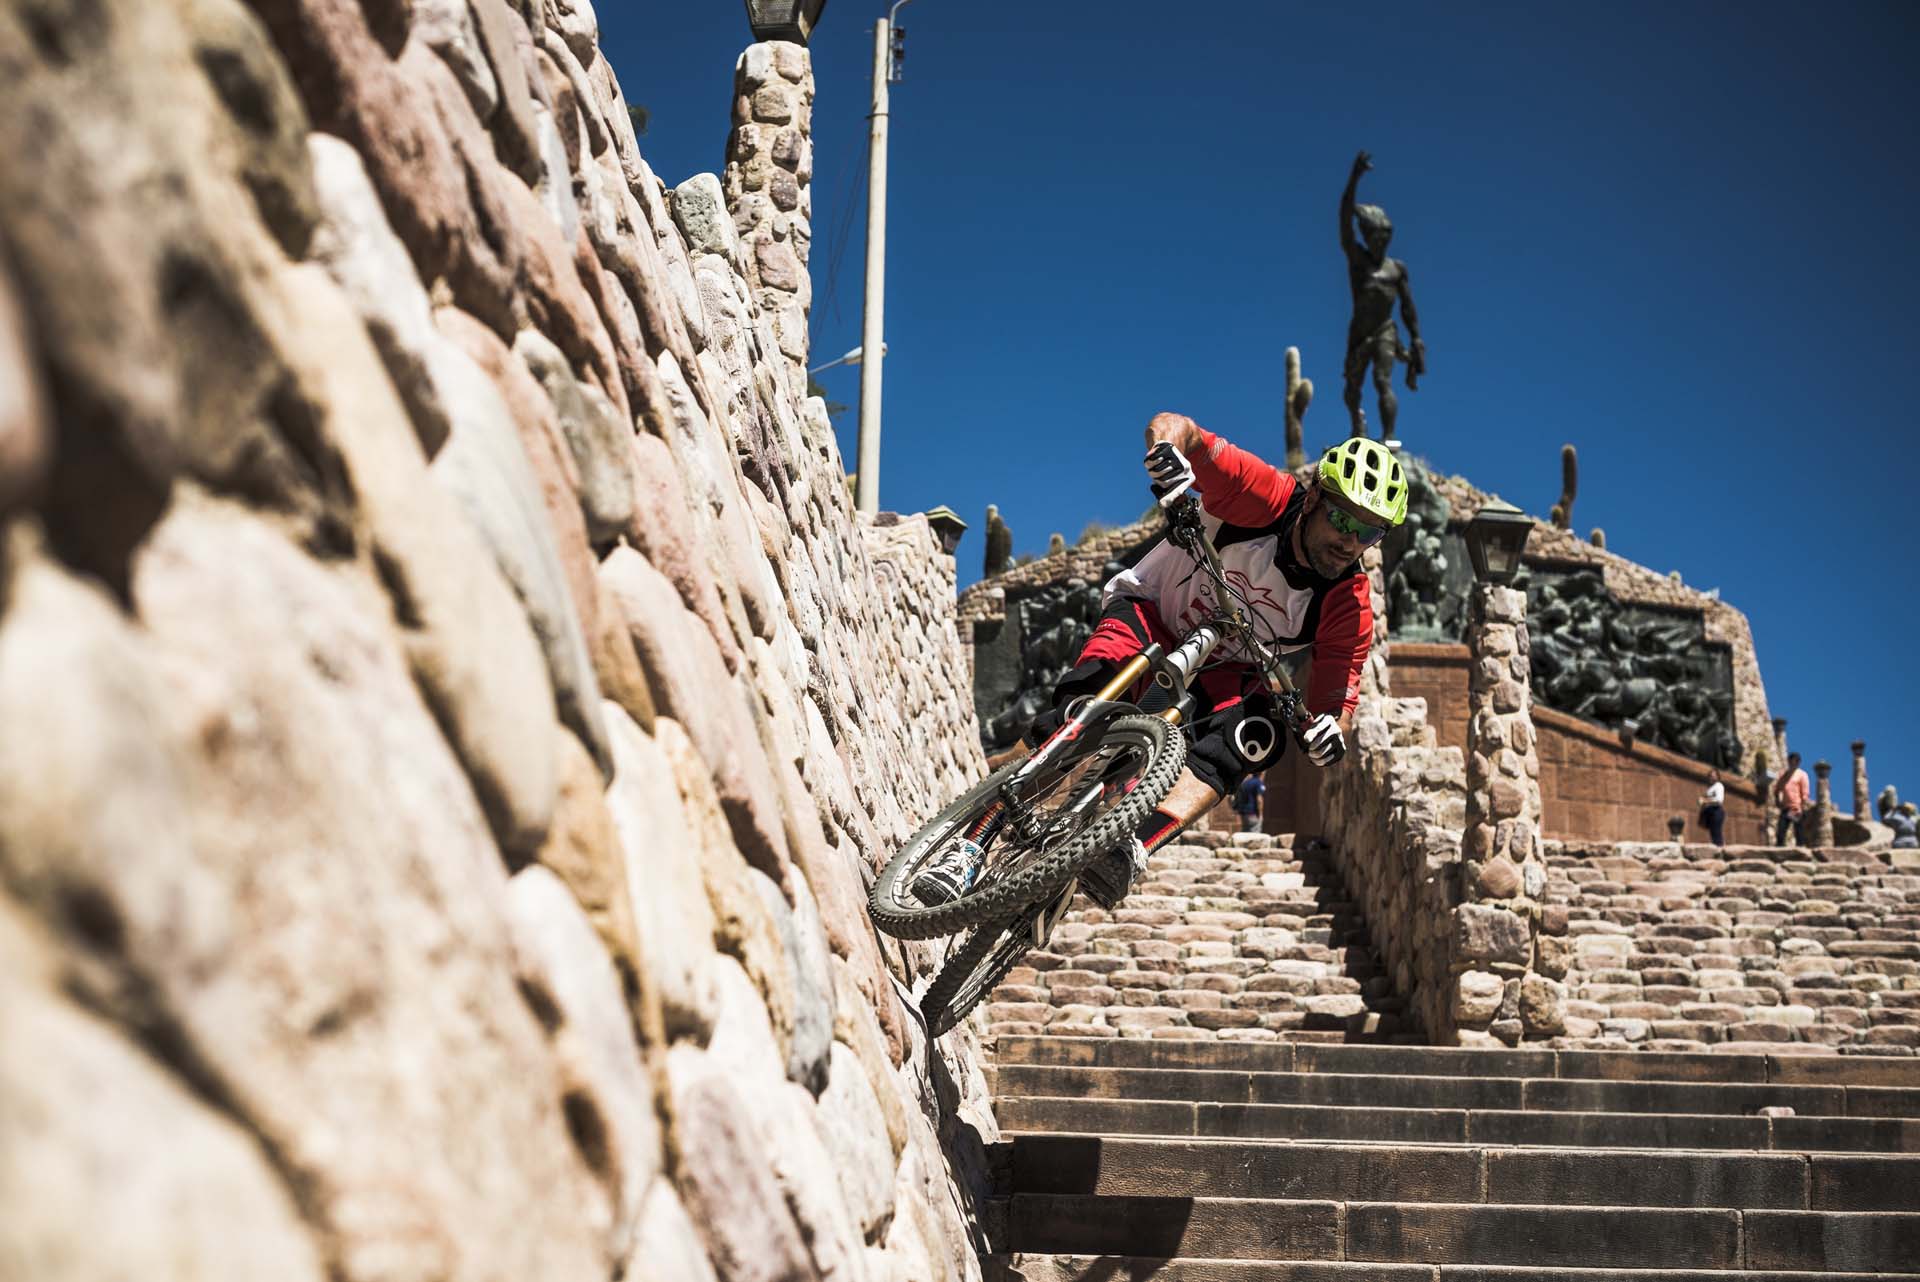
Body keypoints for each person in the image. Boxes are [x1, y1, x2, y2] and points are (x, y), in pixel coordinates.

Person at [913, 414, 1406, 909]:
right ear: (1315, 498)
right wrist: (1168, 455)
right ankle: (971, 843)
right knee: (1086, 710)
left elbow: (1333, 710)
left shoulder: (1348, 602)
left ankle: (1129, 847)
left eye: (1370, 533)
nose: (1350, 542)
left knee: (1260, 735)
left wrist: (1327, 735)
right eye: (1343, 519)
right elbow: (1178, 428)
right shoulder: (1264, 496)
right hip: (1153, 612)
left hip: (1224, 670)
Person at [1339, 151, 1425, 444]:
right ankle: (1357, 426)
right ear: (1368, 237)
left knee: (1382, 381)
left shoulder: (1396, 269)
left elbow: (1408, 307)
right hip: (1359, 331)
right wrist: (1354, 177)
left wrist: (1415, 339)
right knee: (1352, 386)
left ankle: (1389, 437)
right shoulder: (1357, 260)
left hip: (1385, 330)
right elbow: (1344, 216)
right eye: (1375, 237)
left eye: (1384, 238)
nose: (1380, 243)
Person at [1772, 752, 1811, 846]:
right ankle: (1779, 852)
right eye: (1791, 761)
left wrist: (1802, 807)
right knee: (1781, 832)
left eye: (1795, 762)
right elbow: (1777, 789)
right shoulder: (1784, 775)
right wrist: (1777, 800)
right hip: (1786, 808)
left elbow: (1805, 793)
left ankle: (1801, 852)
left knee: (1799, 832)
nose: (1793, 764)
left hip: (1796, 808)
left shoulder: (1802, 775)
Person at [1699, 770, 1726, 847]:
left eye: (1713, 775)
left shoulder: (1719, 786)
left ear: (1717, 777)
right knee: (1713, 834)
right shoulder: (1711, 788)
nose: (1711, 777)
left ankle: (1720, 851)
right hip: (1710, 812)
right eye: (1710, 776)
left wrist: (1705, 801)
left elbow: (1719, 800)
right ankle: (1718, 851)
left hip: (1716, 811)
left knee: (1717, 833)